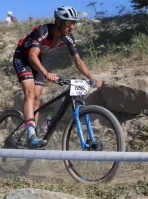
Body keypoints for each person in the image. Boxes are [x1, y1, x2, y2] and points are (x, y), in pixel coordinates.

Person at [12, 6, 102, 148]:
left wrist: (93, 78)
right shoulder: (43, 30)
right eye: (68, 23)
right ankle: (30, 134)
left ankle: (33, 134)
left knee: (37, 96)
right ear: (58, 22)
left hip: (37, 59)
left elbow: (78, 61)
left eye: (74, 23)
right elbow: (31, 55)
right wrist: (47, 73)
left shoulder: (67, 37)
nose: (71, 26)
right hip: (23, 56)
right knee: (30, 92)